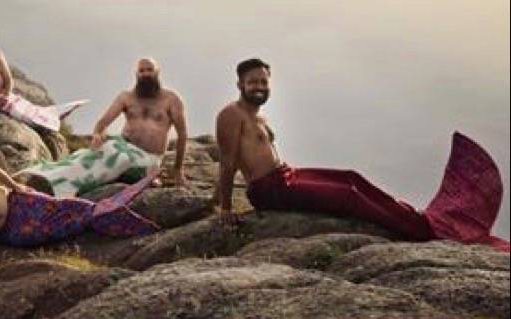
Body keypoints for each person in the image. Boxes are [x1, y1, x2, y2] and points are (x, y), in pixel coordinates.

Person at [216, 58, 509, 251]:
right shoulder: (232, 115)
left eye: (263, 82)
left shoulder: (260, 116)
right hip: (270, 190)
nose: (259, 87)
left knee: (351, 178)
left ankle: (413, 217)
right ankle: (422, 232)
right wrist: (225, 208)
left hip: (283, 176)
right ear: (240, 84)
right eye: (252, 82)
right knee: (349, 196)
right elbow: (227, 164)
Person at [0, 142, 157, 247]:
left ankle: (123, 213)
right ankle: (107, 217)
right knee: (63, 229)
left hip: (20, 205)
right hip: (7, 233)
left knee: (74, 208)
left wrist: (17, 188)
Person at [19, 58, 187, 196]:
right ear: (136, 74)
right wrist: (98, 135)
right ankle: (48, 178)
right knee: (88, 155)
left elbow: (182, 134)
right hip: (122, 146)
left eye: (149, 70)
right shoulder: (127, 97)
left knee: (121, 159)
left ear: (157, 72)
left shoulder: (171, 99)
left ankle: (69, 191)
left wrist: (178, 170)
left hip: (148, 158)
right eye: (141, 71)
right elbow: (102, 123)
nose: (145, 74)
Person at [0, 30, 85, 132]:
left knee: (26, 106)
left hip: (1, 94)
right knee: (13, 108)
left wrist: (5, 94)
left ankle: (54, 114)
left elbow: (8, 79)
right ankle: (41, 125)